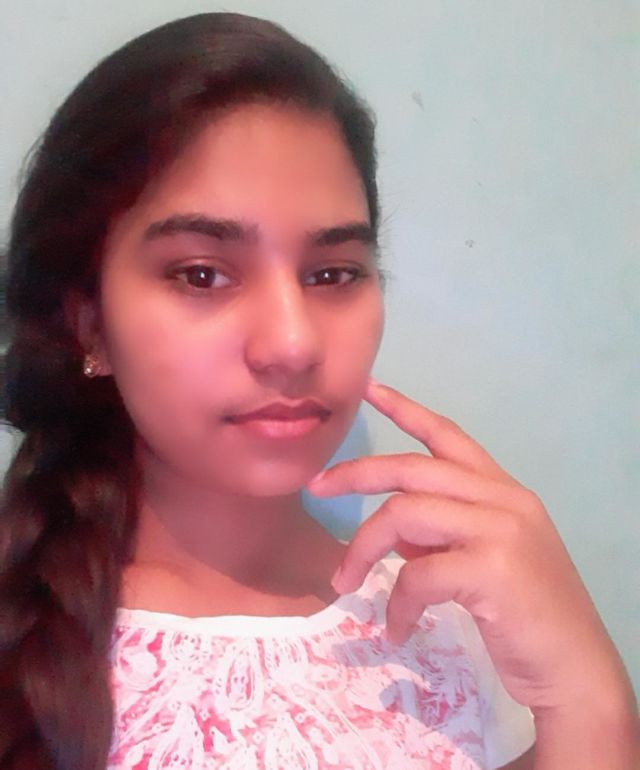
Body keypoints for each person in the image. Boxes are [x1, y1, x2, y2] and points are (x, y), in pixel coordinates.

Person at [0, 11, 637, 770]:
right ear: (89, 325)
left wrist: (591, 700)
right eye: (202, 275)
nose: (293, 344)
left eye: (332, 273)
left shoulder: (461, 631)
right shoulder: (28, 643)